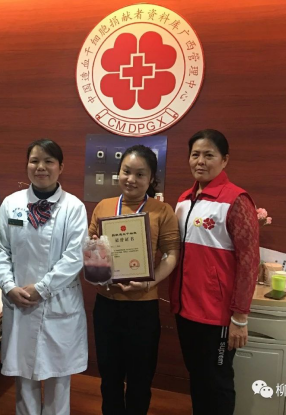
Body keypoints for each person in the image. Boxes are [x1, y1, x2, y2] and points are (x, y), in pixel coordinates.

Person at [0, 139, 88, 415]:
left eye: (49, 161)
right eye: (34, 161)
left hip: (58, 301)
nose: (41, 167)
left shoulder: (73, 207)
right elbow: (0, 249)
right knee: (23, 377)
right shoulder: (12, 204)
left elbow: (75, 256)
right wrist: (8, 286)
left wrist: (43, 288)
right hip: (19, 300)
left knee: (59, 378)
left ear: (61, 167)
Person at [169, 129, 260, 415]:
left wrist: (240, 317)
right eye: (195, 154)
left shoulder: (236, 200)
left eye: (209, 155)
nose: (200, 161)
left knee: (218, 382)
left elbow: (249, 261)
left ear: (224, 160)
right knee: (197, 376)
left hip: (217, 314)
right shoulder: (184, 199)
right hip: (186, 309)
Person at [88, 144, 180, 415]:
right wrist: (98, 269)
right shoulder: (104, 206)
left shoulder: (162, 210)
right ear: (118, 173)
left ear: (151, 178)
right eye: (126, 171)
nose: (132, 179)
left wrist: (149, 282)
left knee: (140, 379)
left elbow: (172, 255)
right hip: (107, 305)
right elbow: (91, 249)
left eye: (140, 174)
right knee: (109, 377)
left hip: (142, 308)